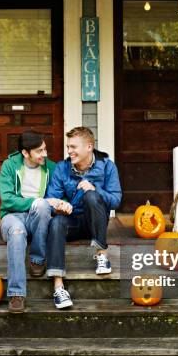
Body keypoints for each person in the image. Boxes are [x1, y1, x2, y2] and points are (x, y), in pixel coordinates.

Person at [45, 126, 122, 309]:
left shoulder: (107, 166)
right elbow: (51, 197)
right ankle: (58, 286)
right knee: (56, 223)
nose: (69, 151)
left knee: (92, 196)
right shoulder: (62, 168)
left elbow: (116, 200)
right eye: (68, 147)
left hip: (95, 223)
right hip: (72, 222)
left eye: (73, 147)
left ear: (89, 146)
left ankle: (101, 254)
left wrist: (95, 189)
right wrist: (59, 205)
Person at [0, 130, 65, 313]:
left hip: (38, 218)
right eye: (39, 151)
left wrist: (60, 203)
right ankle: (16, 294)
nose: (44, 154)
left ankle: (37, 258)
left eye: (44, 149)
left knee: (43, 206)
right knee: (18, 233)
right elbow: (8, 200)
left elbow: (60, 192)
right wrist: (35, 201)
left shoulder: (51, 167)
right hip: (12, 217)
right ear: (25, 153)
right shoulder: (9, 166)